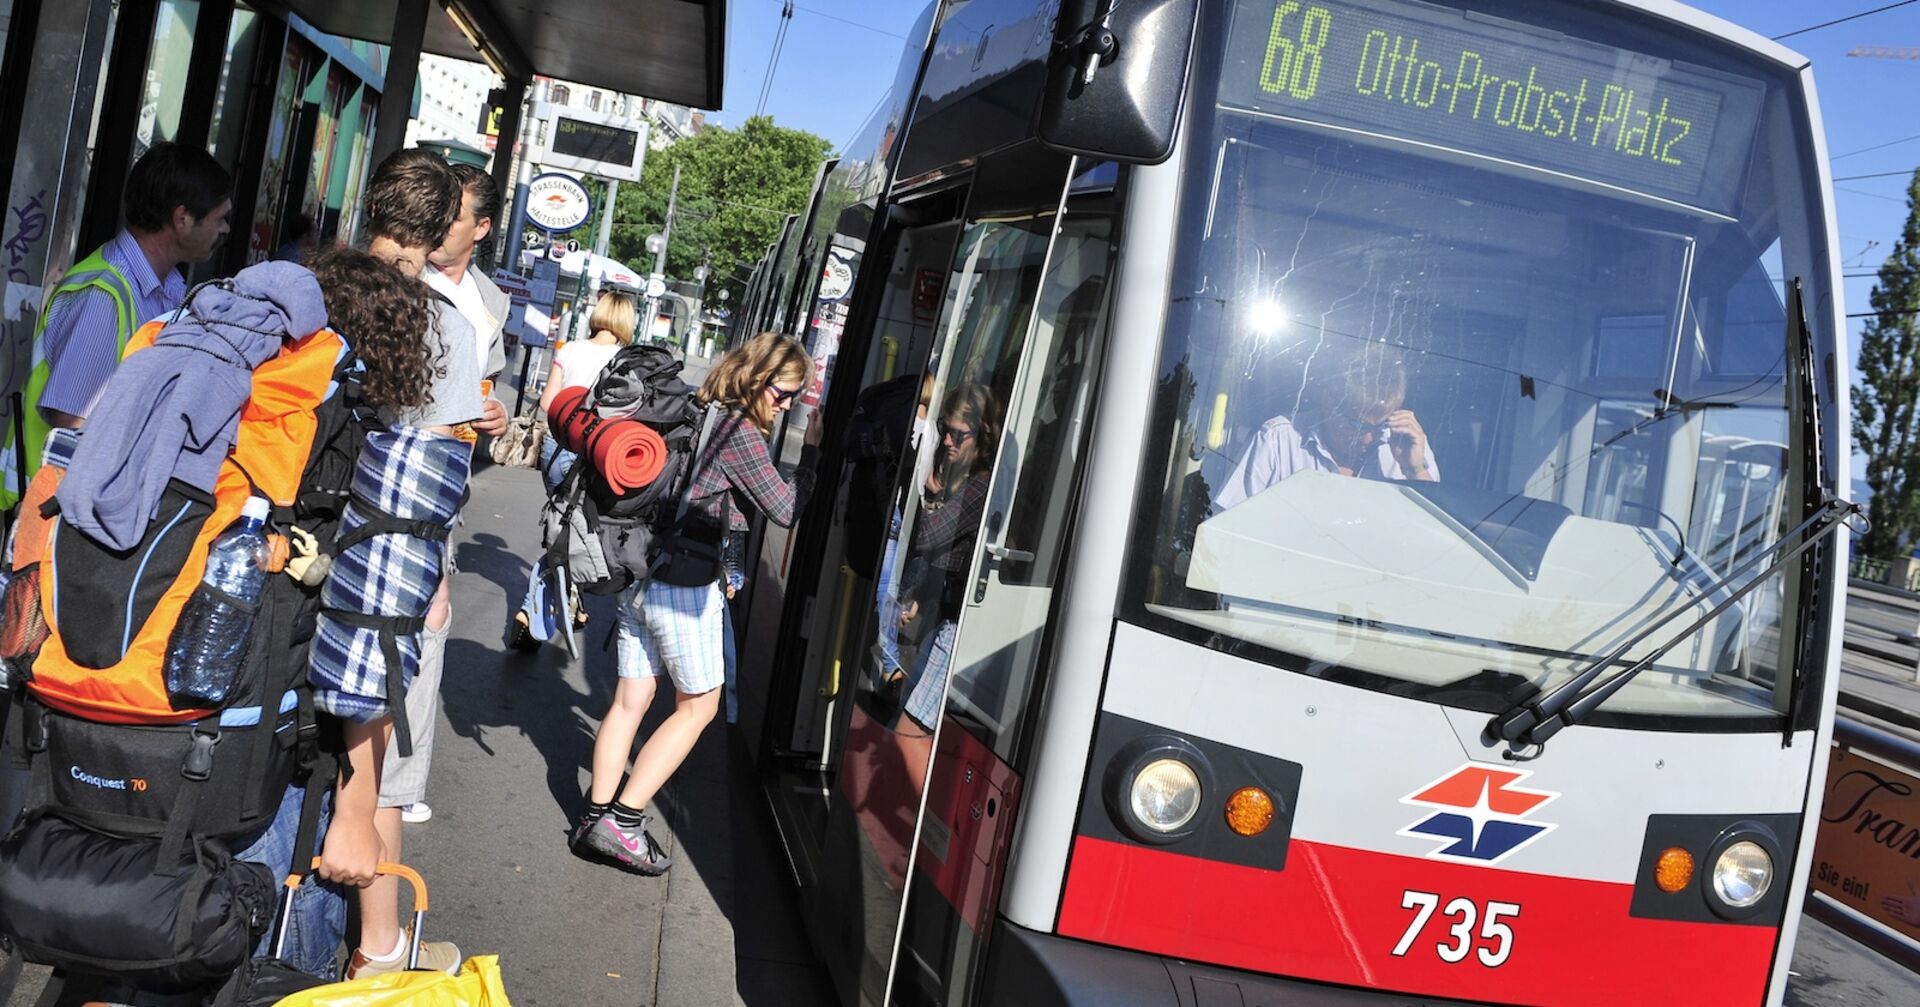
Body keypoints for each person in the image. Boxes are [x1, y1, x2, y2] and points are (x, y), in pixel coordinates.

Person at [315, 147, 491, 981]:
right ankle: (376, 950)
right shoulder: (443, 325)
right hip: (374, 569)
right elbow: (428, 492)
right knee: (375, 757)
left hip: (283, 550)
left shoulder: (307, 288)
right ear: (438, 228)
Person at [572, 333, 819, 874]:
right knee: (699, 706)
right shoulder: (740, 432)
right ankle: (625, 822)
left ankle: (594, 818)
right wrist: (812, 460)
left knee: (630, 701)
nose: (785, 405)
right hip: (681, 585)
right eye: (783, 393)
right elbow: (782, 507)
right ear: (759, 379)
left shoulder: (703, 408)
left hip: (642, 573)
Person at [7, 142, 231, 498]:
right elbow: (72, 423)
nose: (225, 230)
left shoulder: (166, 289)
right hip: (48, 515)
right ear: (182, 218)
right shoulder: (104, 295)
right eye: (220, 218)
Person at [392, 161, 510, 827]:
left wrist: (492, 419)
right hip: (395, 468)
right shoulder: (405, 276)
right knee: (414, 616)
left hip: (448, 481)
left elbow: (485, 392)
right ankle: (384, 782)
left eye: (454, 214)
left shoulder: (491, 302)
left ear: (482, 227)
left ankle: (403, 782)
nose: (438, 224)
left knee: (431, 616)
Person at [889, 382, 999, 793]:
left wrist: (928, 497)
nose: (948, 440)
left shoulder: (981, 485)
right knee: (912, 714)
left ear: (982, 435)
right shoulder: (962, 476)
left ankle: (922, 829)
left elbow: (928, 534)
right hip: (944, 613)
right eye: (944, 430)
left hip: (960, 625)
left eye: (958, 433)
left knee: (909, 732)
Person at [1211, 340, 1437, 511]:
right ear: (1329, 402)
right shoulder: (1279, 440)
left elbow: (1437, 546)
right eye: (1357, 425)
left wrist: (1415, 470)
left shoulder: (1408, 446)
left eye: (1381, 426)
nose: (1371, 439)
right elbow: (1224, 526)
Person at [536, 290, 637, 490]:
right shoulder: (626, 360)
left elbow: (547, 403)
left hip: (556, 445)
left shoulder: (570, 349)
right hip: (594, 450)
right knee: (578, 515)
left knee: (556, 511)